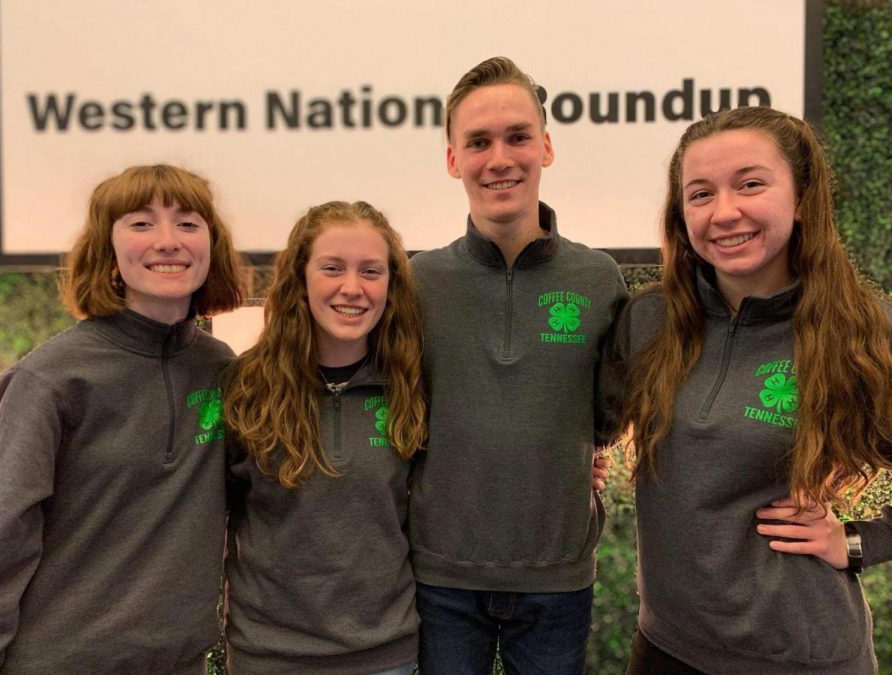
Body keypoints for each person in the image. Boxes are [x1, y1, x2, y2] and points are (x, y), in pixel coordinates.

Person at [598, 106, 891, 674]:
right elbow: (579, 426)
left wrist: (856, 543)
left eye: (751, 184)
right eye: (700, 194)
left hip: (801, 659)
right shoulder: (649, 320)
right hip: (666, 650)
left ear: (802, 198)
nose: (724, 212)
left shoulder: (862, 329)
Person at [408, 56, 627, 674]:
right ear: (453, 159)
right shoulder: (416, 282)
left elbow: (606, 414)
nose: (499, 158)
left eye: (517, 136)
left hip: (557, 581)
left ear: (546, 147)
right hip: (440, 577)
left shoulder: (598, 278)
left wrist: (569, 453)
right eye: (478, 142)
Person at [0, 164, 246, 673]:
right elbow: (2, 534)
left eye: (188, 224)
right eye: (141, 223)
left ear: (211, 248)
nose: (168, 241)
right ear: (107, 249)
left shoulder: (223, 370)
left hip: (181, 662)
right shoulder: (51, 379)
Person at [221, 200, 426, 674]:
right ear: (300, 277)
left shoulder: (412, 386)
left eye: (370, 271)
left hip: (385, 656)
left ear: (391, 285)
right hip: (269, 657)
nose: (352, 288)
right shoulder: (244, 388)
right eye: (332, 268)